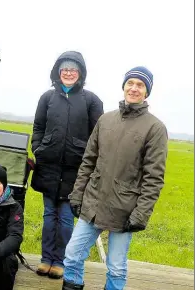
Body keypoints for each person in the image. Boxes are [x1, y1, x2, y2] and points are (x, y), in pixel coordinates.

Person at [63, 66, 168, 290]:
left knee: (116, 267)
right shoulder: (105, 120)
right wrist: (77, 195)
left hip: (125, 210)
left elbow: (154, 178)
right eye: (130, 83)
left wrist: (140, 214)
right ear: (123, 87)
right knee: (72, 256)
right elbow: (88, 162)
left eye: (140, 85)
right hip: (93, 202)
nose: (134, 88)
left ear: (147, 92)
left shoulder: (155, 128)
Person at [31, 51, 104, 279]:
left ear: (80, 73)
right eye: (65, 69)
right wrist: (38, 148)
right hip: (48, 168)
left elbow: (98, 136)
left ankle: (61, 261)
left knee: (65, 219)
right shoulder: (47, 98)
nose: (69, 73)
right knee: (48, 216)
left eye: (73, 69)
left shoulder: (92, 101)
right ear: (58, 72)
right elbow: (38, 127)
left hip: (75, 172)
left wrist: (89, 162)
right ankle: (46, 259)